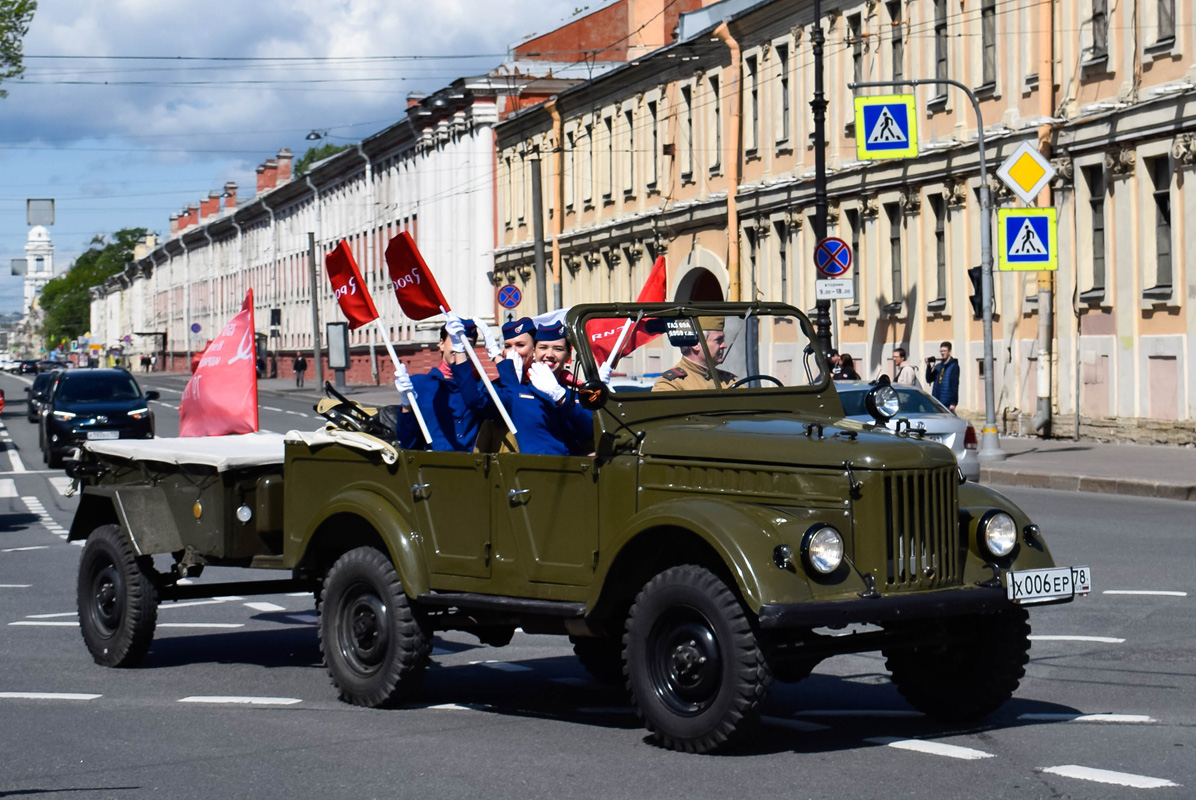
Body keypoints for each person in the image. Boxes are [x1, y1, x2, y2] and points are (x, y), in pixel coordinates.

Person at [491, 321, 593, 456]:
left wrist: (561, 397)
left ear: (568, 355)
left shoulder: (575, 395)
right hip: (535, 470)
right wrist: (505, 369)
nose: (549, 354)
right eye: (543, 348)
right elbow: (478, 403)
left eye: (558, 349)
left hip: (573, 472)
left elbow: (591, 431)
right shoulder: (520, 391)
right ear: (534, 352)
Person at [394, 312, 492, 451]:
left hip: (473, 466)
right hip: (433, 465)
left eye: (467, 343)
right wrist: (406, 405)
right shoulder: (419, 385)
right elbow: (407, 443)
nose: (460, 348)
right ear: (441, 344)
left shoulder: (481, 387)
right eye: (455, 340)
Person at [653, 317, 738, 391]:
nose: (724, 345)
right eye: (718, 340)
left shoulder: (729, 381)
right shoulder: (671, 385)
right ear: (696, 344)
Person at [927, 341, 960, 411]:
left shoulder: (954, 366)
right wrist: (928, 366)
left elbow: (954, 384)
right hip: (937, 401)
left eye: (944, 351)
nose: (942, 353)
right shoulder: (938, 366)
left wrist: (953, 403)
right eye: (941, 351)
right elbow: (929, 379)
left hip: (947, 403)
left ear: (949, 352)